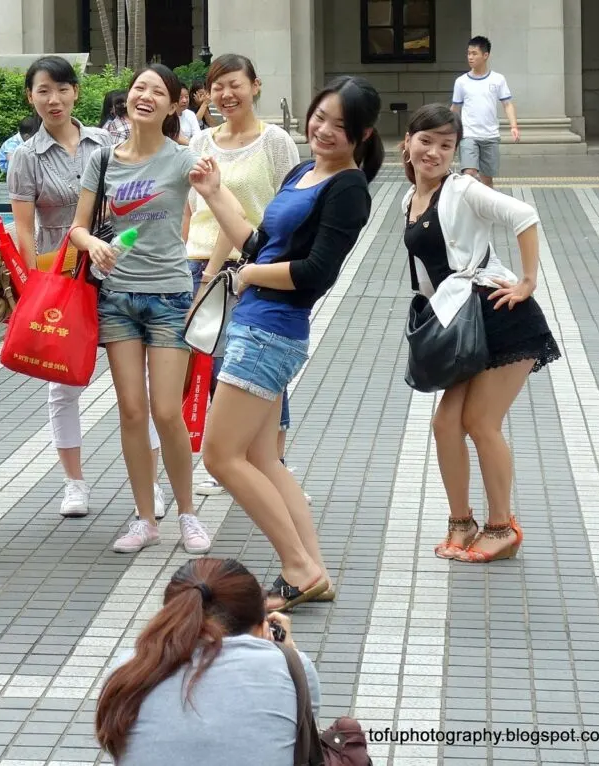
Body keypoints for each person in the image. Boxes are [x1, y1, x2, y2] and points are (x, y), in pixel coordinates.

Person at [189, 76, 385, 609]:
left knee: (220, 457)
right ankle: (313, 568)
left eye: (339, 126)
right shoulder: (303, 171)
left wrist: (251, 276)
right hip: (257, 322)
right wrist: (214, 193)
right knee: (263, 459)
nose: (323, 130)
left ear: (362, 134)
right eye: (320, 116)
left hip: (271, 331)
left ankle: (297, 566)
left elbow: (316, 272)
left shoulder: (347, 187)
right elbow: (258, 243)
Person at [400, 104, 560, 562]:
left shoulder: (463, 188)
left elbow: (525, 216)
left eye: (445, 145)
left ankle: (501, 526)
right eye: (425, 141)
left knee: (479, 423)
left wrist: (527, 281)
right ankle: (461, 521)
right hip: (462, 323)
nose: (433, 152)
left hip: (502, 317)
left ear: (455, 152)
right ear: (407, 143)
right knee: (445, 423)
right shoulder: (408, 201)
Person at [8, 56, 165, 519]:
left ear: (76, 92)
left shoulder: (108, 143)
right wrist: (32, 287)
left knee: (140, 383)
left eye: (61, 89)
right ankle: (74, 483)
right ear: (31, 97)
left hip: (118, 271)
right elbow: (23, 228)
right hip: (62, 279)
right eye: (42, 91)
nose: (52, 99)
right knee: (63, 385)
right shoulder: (25, 156)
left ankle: (150, 484)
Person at [69, 64, 213, 554]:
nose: (144, 96)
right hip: (117, 299)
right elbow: (78, 227)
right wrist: (93, 245)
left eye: (157, 91)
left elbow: (216, 200)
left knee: (166, 411)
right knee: (132, 411)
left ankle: (188, 513)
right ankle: (145, 517)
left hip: (170, 296)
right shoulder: (104, 161)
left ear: (175, 105)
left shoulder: (182, 159)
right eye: (138, 88)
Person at [183, 54, 304, 499]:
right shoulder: (201, 142)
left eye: (235, 84)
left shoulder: (274, 142)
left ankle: (274, 467)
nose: (226, 94)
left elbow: (286, 209)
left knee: (260, 368)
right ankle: (231, 462)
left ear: (255, 86)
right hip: (199, 264)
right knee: (215, 369)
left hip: (251, 269)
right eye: (217, 87)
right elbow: (191, 208)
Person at [96, 558, 321, 765]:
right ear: (262, 627)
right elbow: (303, 743)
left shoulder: (130, 667)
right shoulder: (291, 667)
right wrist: (288, 654)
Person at [451, 36, 519, 188]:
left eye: (474, 53)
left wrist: (513, 126)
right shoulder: (461, 82)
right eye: (468, 53)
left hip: (490, 136)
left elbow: (507, 104)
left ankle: (487, 209)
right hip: (468, 135)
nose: (470, 57)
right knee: (469, 173)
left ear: (485, 55)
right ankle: (467, 206)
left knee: (487, 180)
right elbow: (455, 108)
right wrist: (448, 129)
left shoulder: (498, 79)